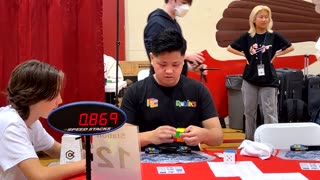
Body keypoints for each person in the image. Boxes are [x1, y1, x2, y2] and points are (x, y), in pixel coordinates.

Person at [121, 28, 223, 151]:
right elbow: (123, 140)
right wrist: (150, 137)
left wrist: (204, 135)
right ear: (152, 58)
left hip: (190, 159)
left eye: (176, 64)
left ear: (183, 61)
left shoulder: (198, 90)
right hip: (148, 159)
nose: (169, 71)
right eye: (162, 64)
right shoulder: (135, 92)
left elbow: (218, 137)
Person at [0, 60, 85, 179]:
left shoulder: (30, 120)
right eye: (55, 94)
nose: (60, 101)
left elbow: (56, 150)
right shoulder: (11, 125)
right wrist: (86, 165)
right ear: (35, 94)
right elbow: (39, 176)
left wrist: (93, 156)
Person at [227, 5, 294, 140]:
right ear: (254, 19)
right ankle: (250, 140)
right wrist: (245, 56)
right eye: (261, 17)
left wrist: (275, 56)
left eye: (266, 17)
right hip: (250, 79)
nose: (264, 20)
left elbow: (290, 47)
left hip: (269, 80)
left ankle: (272, 140)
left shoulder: (273, 36)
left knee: (270, 112)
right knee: (249, 112)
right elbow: (230, 48)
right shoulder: (247, 37)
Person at [144, 0, 205, 76]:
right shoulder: (157, 23)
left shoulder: (174, 24)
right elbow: (156, 53)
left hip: (176, 80)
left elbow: (173, 60)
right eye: (183, 3)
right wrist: (186, 55)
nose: (186, 7)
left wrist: (191, 67)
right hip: (162, 81)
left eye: (188, 5)